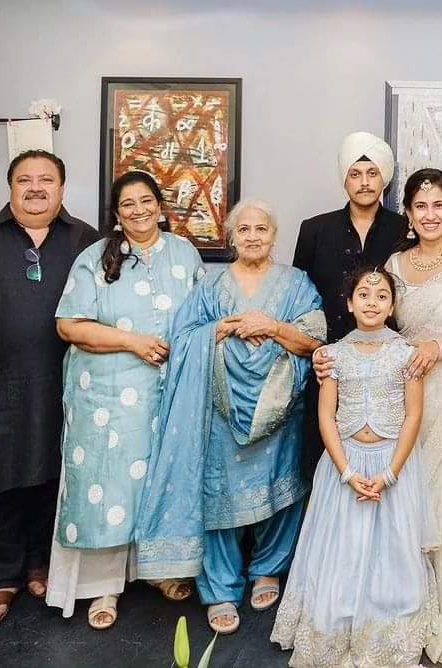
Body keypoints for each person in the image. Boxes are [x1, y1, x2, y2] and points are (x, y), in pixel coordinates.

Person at [316, 168, 442, 664]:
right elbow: (373, 325)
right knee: (406, 501)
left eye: (439, 206)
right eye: (420, 206)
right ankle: (401, 607)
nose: (430, 215)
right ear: (408, 214)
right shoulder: (395, 265)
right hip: (401, 398)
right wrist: (330, 357)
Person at [133, 198, 326, 635]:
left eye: (261, 229)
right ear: (231, 237)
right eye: (244, 230)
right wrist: (220, 329)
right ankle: (219, 588)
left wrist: (272, 326)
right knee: (217, 495)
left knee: (281, 491)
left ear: (274, 236)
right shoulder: (211, 287)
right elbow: (181, 340)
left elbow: (315, 341)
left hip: (281, 406)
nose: (253, 237)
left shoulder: (296, 284)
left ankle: (268, 570)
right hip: (220, 408)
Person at [47, 171, 203, 628]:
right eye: (128, 204)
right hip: (107, 397)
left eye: (146, 200)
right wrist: (132, 342)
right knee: (107, 484)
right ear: (116, 215)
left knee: (158, 479)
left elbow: (199, 316)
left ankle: (157, 570)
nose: (138, 210)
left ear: (160, 204)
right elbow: (69, 325)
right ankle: (103, 588)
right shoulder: (95, 258)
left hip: (167, 391)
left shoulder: (183, 253)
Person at [0, 150, 100, 632]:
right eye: (24, 179)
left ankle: (41, 562)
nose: (35, 187)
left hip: (67, 385)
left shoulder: (87, 240)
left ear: (62, 187)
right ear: (11, 187)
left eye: (46, 179)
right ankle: (1, 576)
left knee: (53, 474)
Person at [271, 266, 434, 667]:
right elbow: (327, 417)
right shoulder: (332, 355)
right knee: (339, 550)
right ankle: (335, 623)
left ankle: (385, 629)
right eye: (364, 294)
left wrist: (390, 472)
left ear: (393, 305)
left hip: (391, 466)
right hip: (343, 467)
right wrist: (345, 471)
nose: (373, 302)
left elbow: (413, 416)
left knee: (392, 550)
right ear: (349, 303)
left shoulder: (406, 354)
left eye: (382, 296)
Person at [294, 132, 408, 476]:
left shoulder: (404, 229)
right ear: (344, 179)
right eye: (355, 174)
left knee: (390, 458)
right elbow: (301, 300)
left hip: (388, 367)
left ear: (384, 178)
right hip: (328, 364)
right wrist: (315, 350)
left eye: (372, 173)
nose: (364, 182)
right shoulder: (315, 230)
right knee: (322, 459)